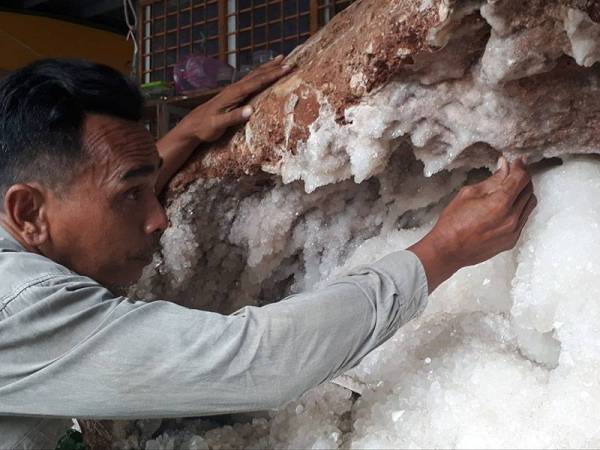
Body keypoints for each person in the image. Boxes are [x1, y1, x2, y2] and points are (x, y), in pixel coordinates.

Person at [0, 58, 536, 449]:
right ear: (27, 213)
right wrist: (441, 250)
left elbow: (85, 195)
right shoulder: (20, 310)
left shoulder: (21, 232)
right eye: (131, 194)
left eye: (148, 186)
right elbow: (255, 360)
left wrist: (182, 136)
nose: (158, 219)